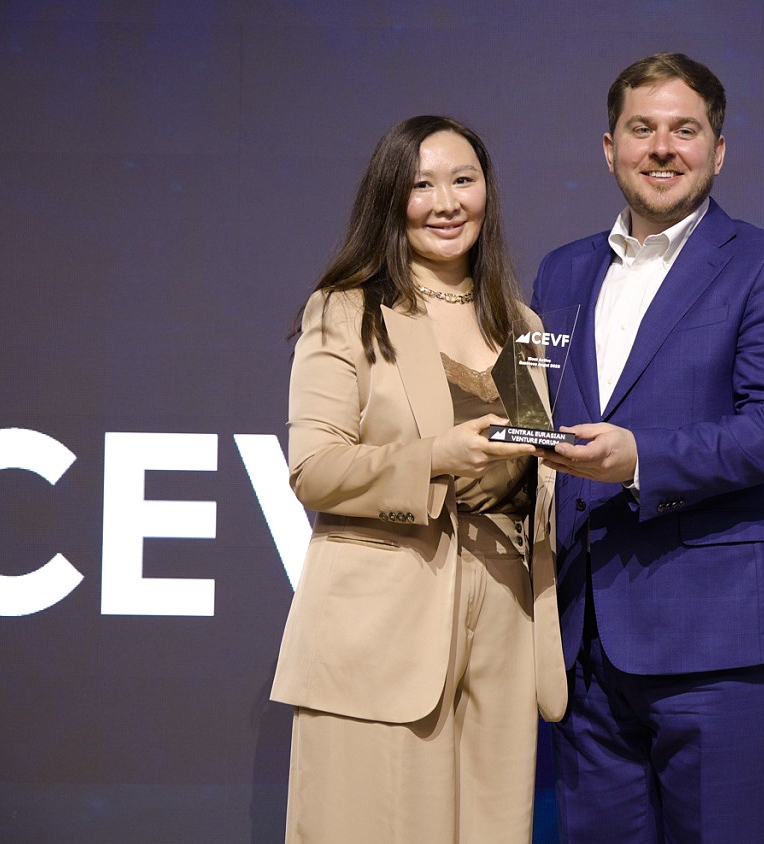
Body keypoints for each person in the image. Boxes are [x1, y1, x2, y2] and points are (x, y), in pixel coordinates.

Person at [530, 53, 764, 843]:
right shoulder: (561, 271)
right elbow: (536, 415)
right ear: (609, 148)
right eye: (642, 128)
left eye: (684, 130)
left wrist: (639, 459)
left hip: (713, 639)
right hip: (582, 641)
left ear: (718, 151)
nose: (662, 147)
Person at [270, 115, 567, 843]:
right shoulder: (347, 309)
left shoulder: (520, 324)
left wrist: (552, 461)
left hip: (504, 625)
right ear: (390, 199)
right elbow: (314, 469)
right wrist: (436, 456)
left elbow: (529, 464)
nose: (447, 203)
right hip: (384, 629)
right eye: (422, 185)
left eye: (463, 180)